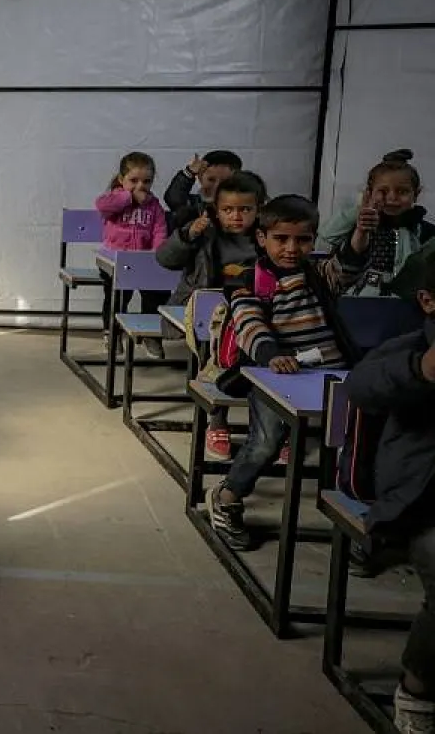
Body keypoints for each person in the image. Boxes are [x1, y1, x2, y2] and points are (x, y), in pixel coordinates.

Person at [208, 193, 374, 551]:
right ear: (261, 238)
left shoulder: (318, 274)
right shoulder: (249, 281)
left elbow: (348, 265)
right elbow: (250, 325)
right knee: (265, 443)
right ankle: (226, 497)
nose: (291, 248)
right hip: (275, 377)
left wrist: (360, 234)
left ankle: (355, 519)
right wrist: (272, 355)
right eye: (281, 238)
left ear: (313, 240)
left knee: (356, 443)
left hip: (332, 376)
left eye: (302, 239)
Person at [341, 259, 435, 733]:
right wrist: (421, 371)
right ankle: (418, 687)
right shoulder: (411, 351)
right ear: (428, 301)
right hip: (420, 498)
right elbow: (360, 388)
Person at [155, 171, 267, 461]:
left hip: (257, 315)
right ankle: (218, 420)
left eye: (245, 209)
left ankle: (269, 427)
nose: (236, 216)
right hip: (211, 316)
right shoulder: (205, 233)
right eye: (228, 210)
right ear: (217, 210)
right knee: (219, 359)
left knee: (266, 362)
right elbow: (165, 259)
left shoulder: (266, 238)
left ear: (259, 209)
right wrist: (188, 234)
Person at [322, 150, 434, 297]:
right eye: (383, 191)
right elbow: (325, 238)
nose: (392, 198)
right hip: (361, 300)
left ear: (416, 194)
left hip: (408, 302)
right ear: (369, 193)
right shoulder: (362, 226)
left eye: (402, 192)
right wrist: (361, 211)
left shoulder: (425, 232)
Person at [95, 152, 169, 357]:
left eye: (147, 181)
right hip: (115, 260)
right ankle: (113, 333)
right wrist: (128, 197)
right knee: (117, 299)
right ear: (121, 180)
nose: (140, 186)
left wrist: (156, 254)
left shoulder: (154, 206)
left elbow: (159, 230)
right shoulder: (114, 199)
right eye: (133, 180)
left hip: (143, 261)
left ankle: (151, 335)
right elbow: (101, 206)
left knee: (156, 295)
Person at [163, 150, 242, 232]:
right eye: (211, 179)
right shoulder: (192, 203)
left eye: (225, 182)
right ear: (200, 177)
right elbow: (173, 198)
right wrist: (189, 173)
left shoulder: (239, 206)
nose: (217, 186)